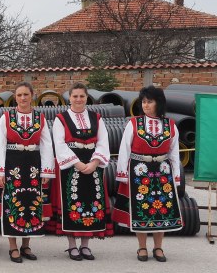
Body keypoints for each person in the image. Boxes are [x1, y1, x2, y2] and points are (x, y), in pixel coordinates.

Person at [113, 86, 183, 261]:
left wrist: (175, 177)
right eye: (143, 102)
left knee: (162, 211)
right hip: (139, 171)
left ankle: (158, 248)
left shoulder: (171, 125)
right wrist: (123, 174)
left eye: (149, 101)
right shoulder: (133, 123)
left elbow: (174, 153)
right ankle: (142, 247)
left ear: (159, 103)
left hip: (163, 171)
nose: (145, 105)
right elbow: (124, 150)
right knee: (141, 210)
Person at [0, 82, 55, 263]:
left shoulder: (40, 118)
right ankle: (12, 247)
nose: (23, 98)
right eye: (19, 95)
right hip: (13, 165)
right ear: (15, 97)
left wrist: (46, 172)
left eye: (26, 94)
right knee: (13, 202)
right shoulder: (6, 117)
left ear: (32, 95)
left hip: (33, 166)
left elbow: (47, 145)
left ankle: (26, 245)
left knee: (31, 203)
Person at [50, 83, 112, 260]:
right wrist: (77, 164)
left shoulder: (96, 117)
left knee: (90, 201)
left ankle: (85, 246)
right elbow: (59, 144)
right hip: (71, 166)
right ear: (70, 97)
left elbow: (103, 141)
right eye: (75, 96)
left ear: (87, 97)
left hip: (93, 164)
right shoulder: (60, 119)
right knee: (72, 203)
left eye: (82, 96)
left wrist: (94, 162)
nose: (78, 99)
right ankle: (72, 246)